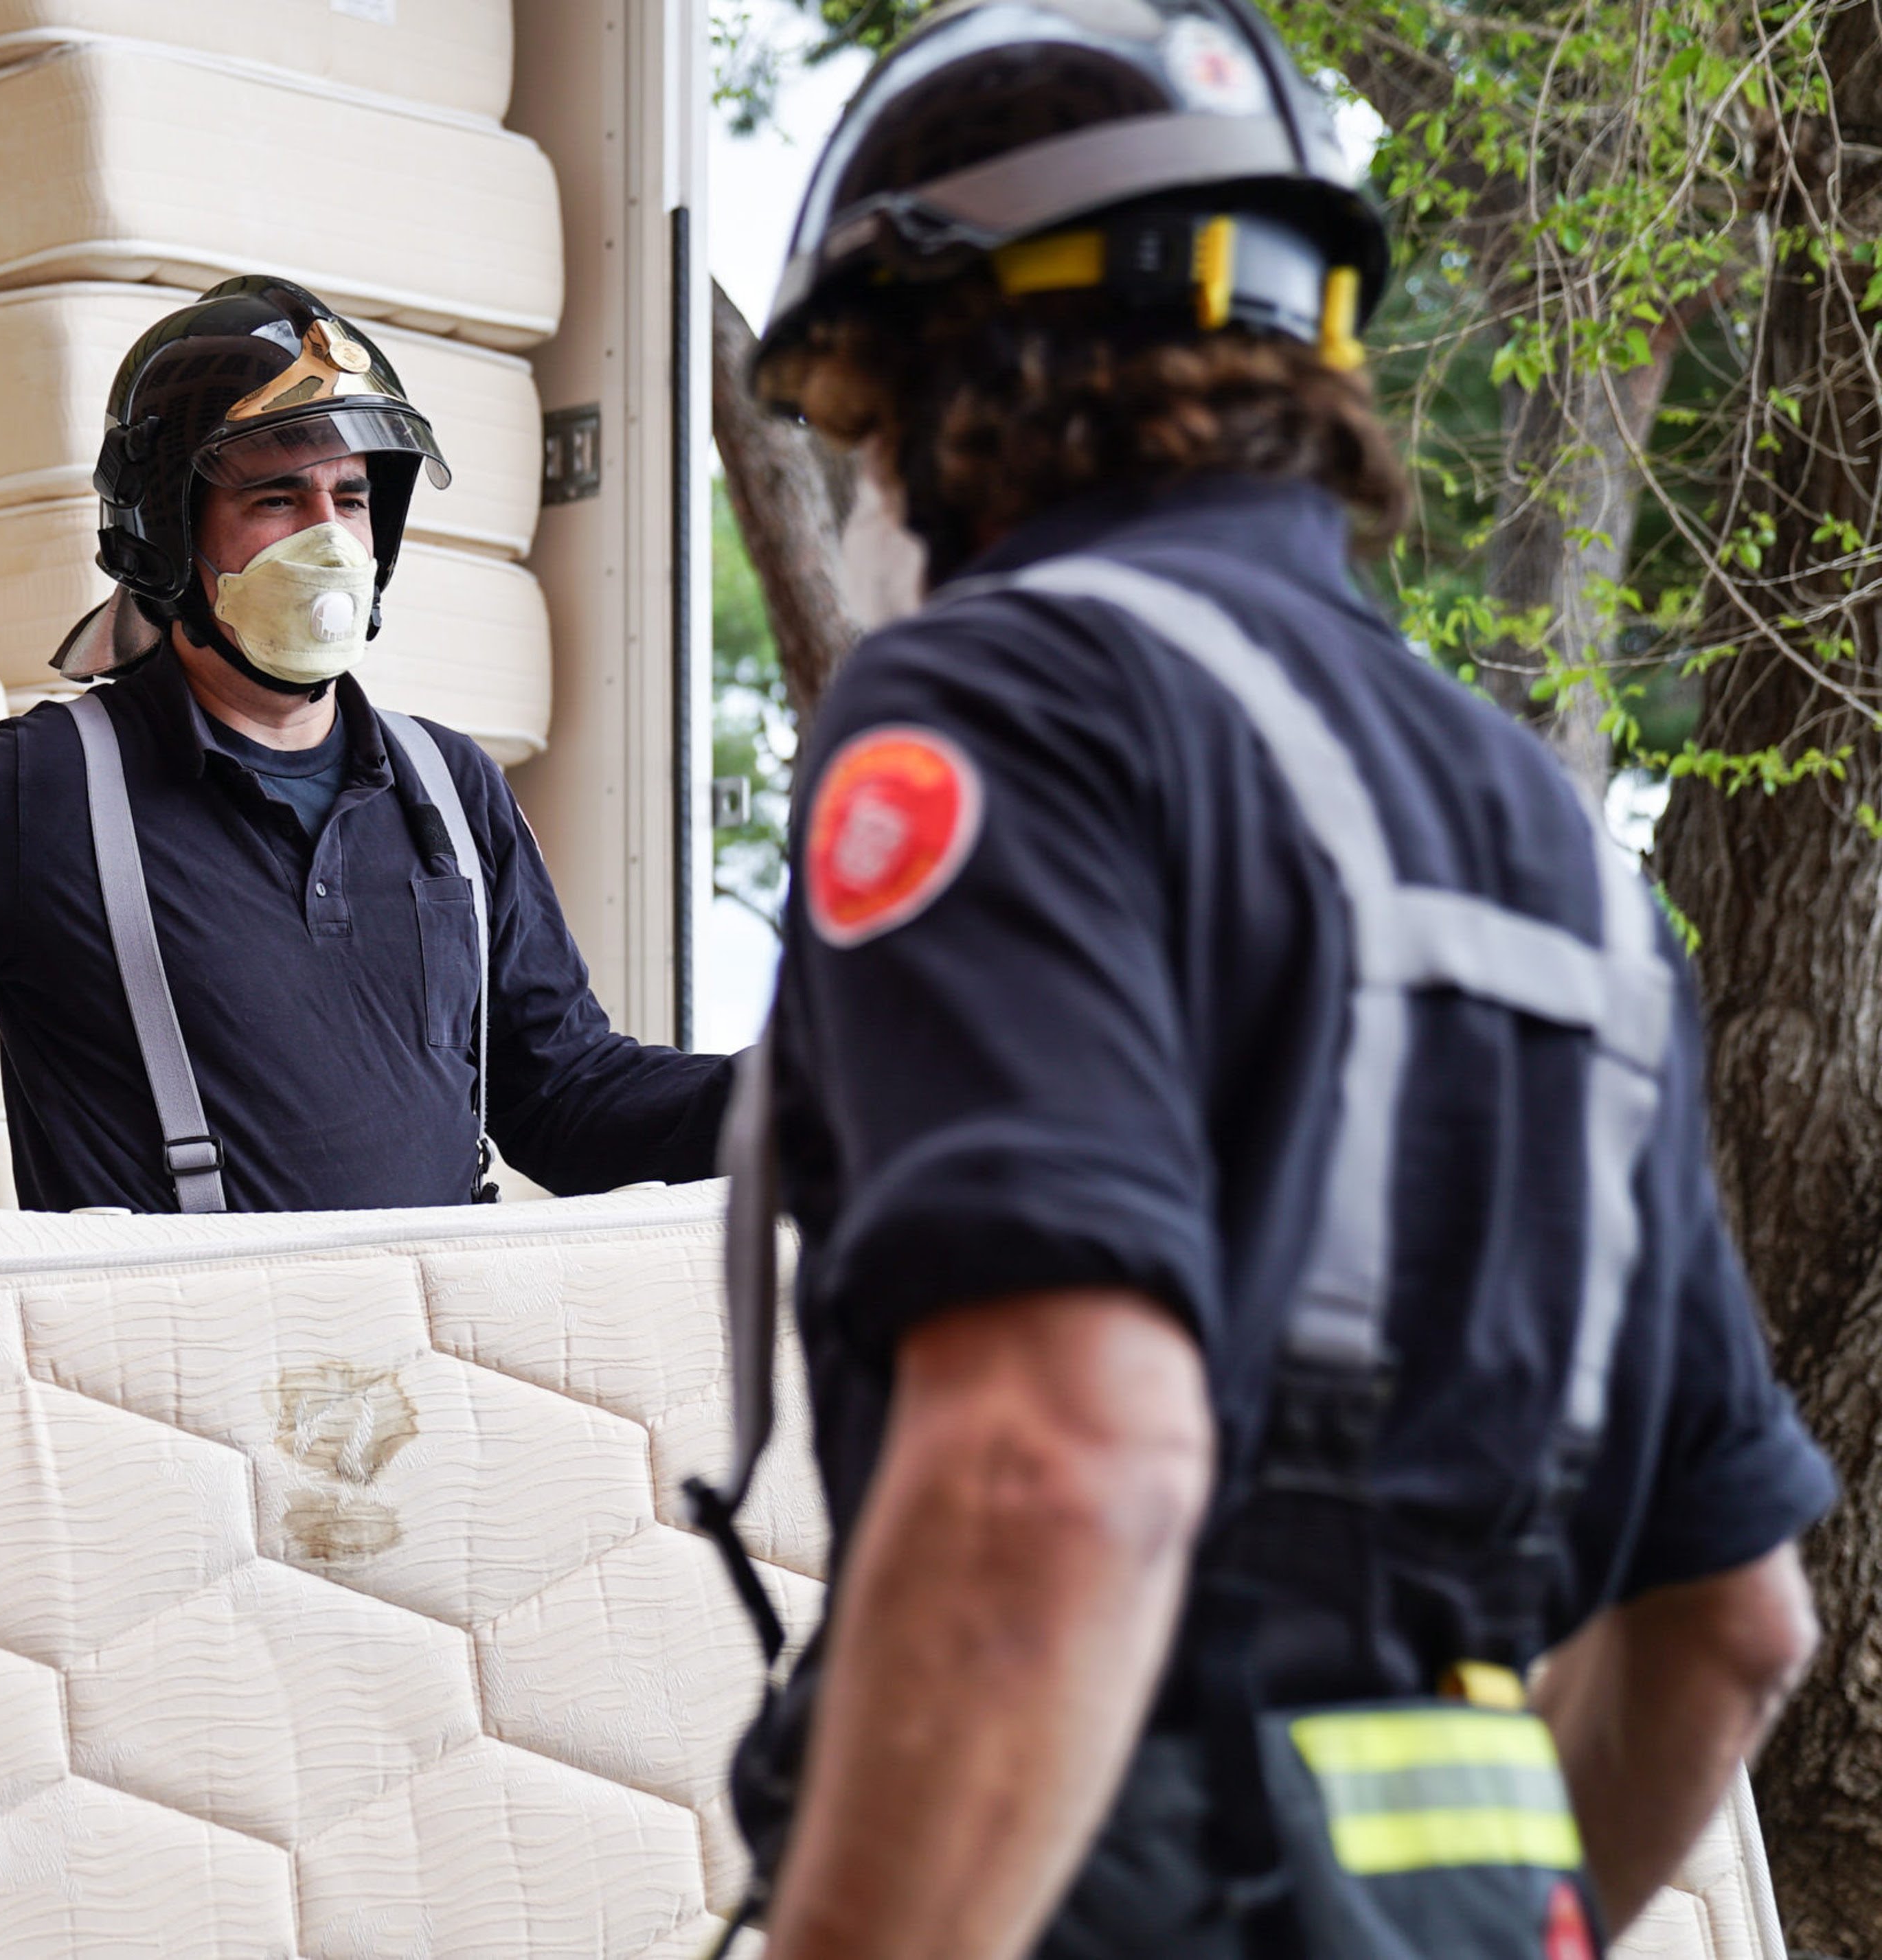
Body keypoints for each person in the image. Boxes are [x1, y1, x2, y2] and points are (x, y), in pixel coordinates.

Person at [691, 3, 1834, 1956]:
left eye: (871, 430)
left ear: (980, 360)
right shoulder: (1555, 843)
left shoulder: (1005, 698)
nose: (870, 493)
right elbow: (1733, 1626)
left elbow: (1060, 1465)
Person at [0, 275, 729, 1214]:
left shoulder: (452, 790)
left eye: (352, 498)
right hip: (172, 1391)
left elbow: (567, 1096)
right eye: (276, 499)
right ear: (166, 531)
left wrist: (790, 1098)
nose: (329, 539)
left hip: (425, 1380)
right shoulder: (51, 786)